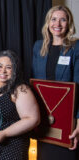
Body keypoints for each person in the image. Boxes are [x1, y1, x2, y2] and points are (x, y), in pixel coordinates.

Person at [32, 5, 79, 160]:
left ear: (69, 23)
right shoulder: (38, 47)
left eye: (63, 19)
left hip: (67, 118)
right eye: (54, 19)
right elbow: (34, 84)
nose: (57, 24)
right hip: (44, 116)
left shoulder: (75, 48)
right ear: (48, 22)